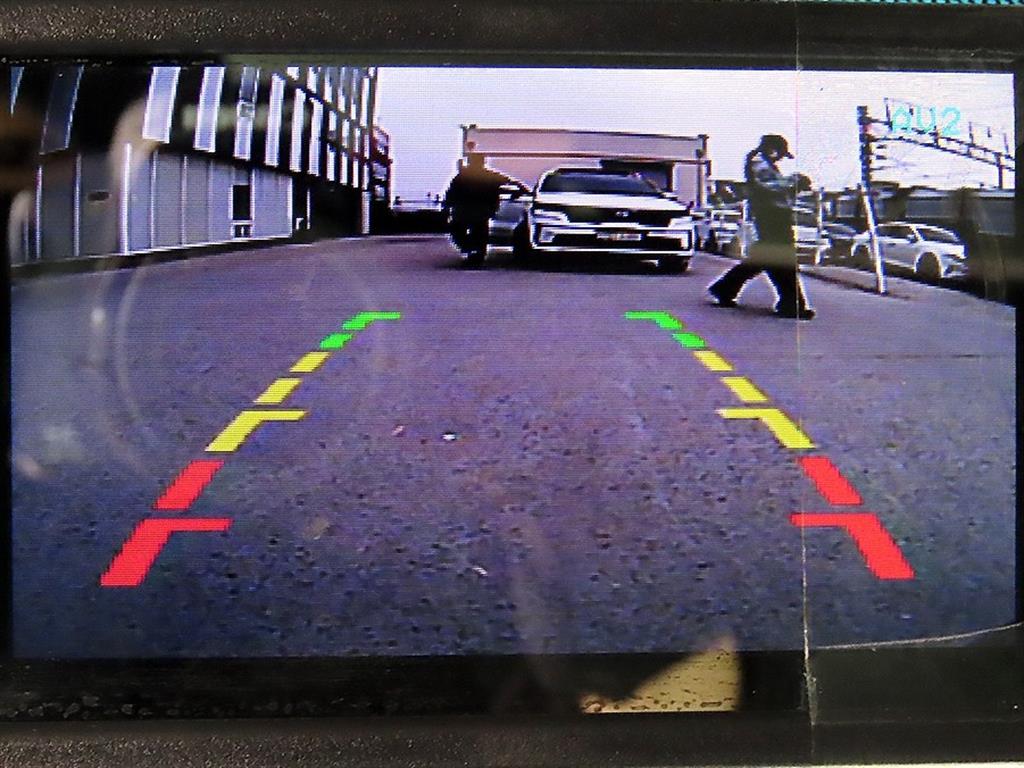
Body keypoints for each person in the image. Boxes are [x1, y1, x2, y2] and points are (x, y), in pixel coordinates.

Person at [707, 134, 815, 320]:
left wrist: (793, 186)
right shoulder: (758, 162)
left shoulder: (763, 163)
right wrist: (795, 181)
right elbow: (769, 186)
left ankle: (725, 289)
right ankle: (792, 305)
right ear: (772, 150)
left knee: (763, 259)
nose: (780, 158)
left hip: (773, 216)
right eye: (780, 154)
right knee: (782, 260)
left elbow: (775, 188)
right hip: (771, 217)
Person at [443, 152, 512, 265]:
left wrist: (446, 206)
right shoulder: (489, 176)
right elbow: (510, 183)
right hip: (478, 210)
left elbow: (451, 193)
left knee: (461, 229)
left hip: (469, 210)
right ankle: (474, 250)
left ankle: (471, 249)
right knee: (476, 231)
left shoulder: (463, 176)